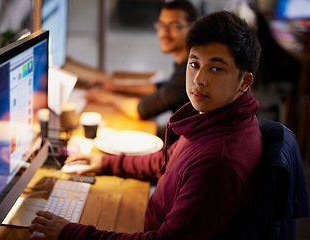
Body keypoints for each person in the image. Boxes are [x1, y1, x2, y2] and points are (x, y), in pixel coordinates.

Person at [29, 11, 263, 239]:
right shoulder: (213, 115)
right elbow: (168, 161)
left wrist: (70, 233)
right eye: (194, 64)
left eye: (216, 68)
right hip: (149, 217)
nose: (199, 79)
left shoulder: (217, 162)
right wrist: (107, 162)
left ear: (244, 81)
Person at [85, 0, 198, 143]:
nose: (164, 32)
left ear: (192, 27)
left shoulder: (191, 70)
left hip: (174, 147)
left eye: (173, 25)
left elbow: (141, 110)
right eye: (161, 24)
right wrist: (115, 86)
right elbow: (165, 87)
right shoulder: (184, 64)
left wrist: (107, 97)